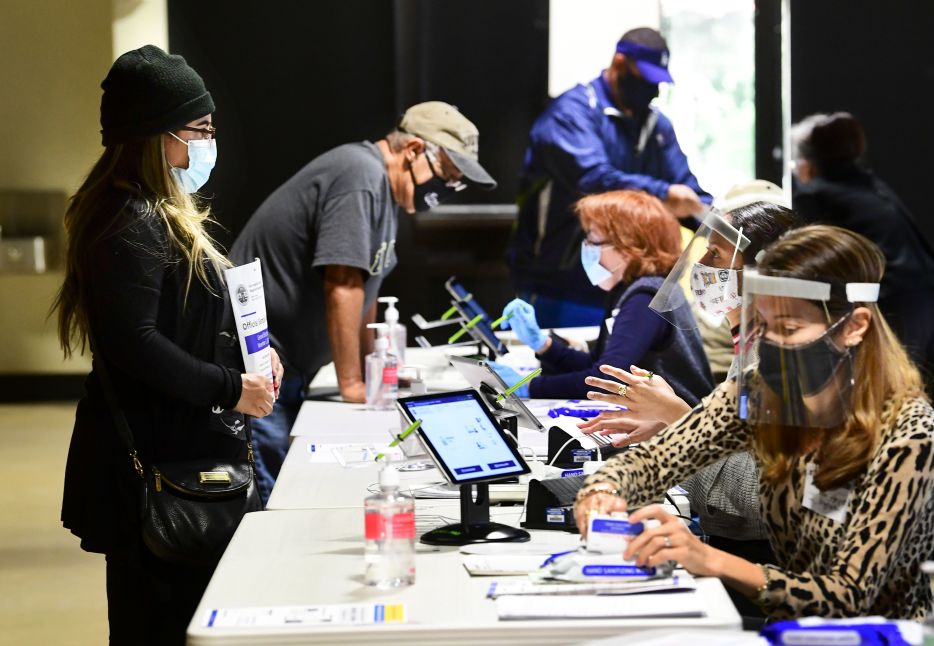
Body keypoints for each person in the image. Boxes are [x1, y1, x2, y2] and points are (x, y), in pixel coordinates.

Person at [573, 225, 934, 622]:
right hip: (788, 626)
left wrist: (707, 559)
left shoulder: (907, 433)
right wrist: (603, 489)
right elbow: (658, 459)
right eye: (762, 326)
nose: (768, 346)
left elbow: (847, 596)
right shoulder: (764, 391)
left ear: (855, 327)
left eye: (789, 330)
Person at [53, 45, 281, 643]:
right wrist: (233, 388)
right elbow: (138, 344)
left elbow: (194, 319)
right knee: (153, 622)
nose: (208, 143)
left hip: (180, 451)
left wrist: (257, 356)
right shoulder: (125, 220)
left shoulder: (159, 211)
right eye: (198, 130)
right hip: (148, 469)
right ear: (155, 136)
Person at [231, 102, 497, 502]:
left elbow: (366, 287)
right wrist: (353, 382)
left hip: (289, 364)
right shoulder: (360, 174)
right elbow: (342, 283)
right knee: (272, 501)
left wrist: (374, 372)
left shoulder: (384, 191)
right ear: (412, 151)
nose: (444, 189)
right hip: (260, 362)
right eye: (447, 175)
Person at [578, 198, 797, 621]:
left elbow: (753, 501)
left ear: (763, 274)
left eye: (715, 256)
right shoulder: (751, 348)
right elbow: (746, 448)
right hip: (740, 560)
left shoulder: (784, 360)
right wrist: (672, 426)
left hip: (762, 578)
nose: (702, 269)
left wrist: (679, 420)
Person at [509, 27, 712, 328]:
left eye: (658, 82)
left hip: (627, 286)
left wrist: (721, 224)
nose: (652, 90)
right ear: (619, 63)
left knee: (609, 370)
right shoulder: (571, 114)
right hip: (558, 282)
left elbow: (688, 193)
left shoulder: (657, 127)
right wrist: (665, 196)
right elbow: (595, 181)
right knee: (551, 365)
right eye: (646, 79)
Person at [791, 112, 934, 418]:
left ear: (807, 163)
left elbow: (810, 262)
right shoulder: (873, 185)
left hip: (900, 304)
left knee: (892, 412)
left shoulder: (816, 193)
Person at [494, 190, 713, 404]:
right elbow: (599, 366)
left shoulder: (645, 298)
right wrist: (544, 346)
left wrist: (528, 387)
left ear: (628, 245)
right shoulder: (630, 289)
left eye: (591, 237)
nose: (586, 246)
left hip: (678, 427)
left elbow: (605, 380)